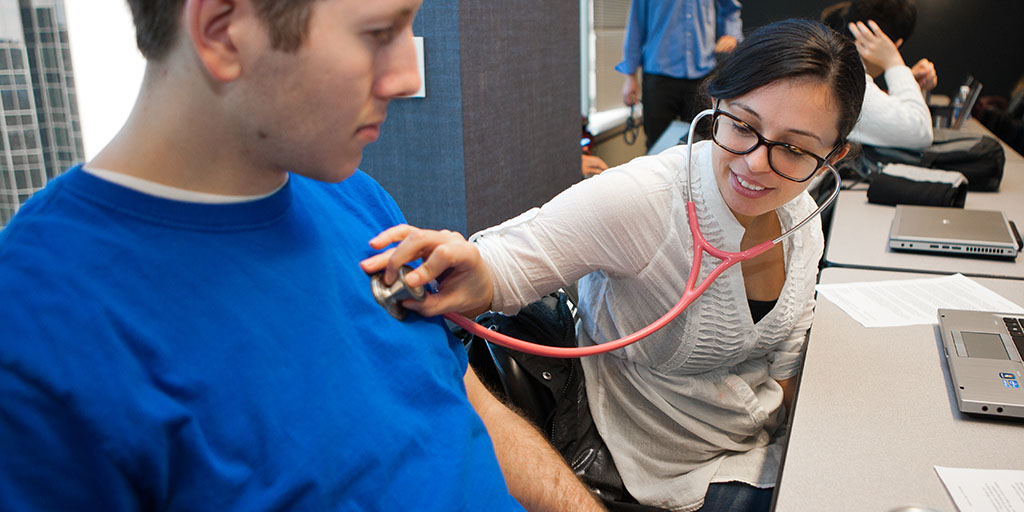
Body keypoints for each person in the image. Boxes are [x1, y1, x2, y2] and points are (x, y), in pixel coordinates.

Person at [0, 0, 604, 510]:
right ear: (222, 33)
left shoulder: (354, 197)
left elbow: (460, 400)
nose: (402, 76)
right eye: (378, 34)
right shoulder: (40, 330)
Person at [363, 19, 866, 511]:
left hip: (758, 438)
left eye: (796, 149)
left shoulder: (802, 216)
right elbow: (503, 262)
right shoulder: (647, 199)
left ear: (834, 156)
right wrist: (469, 270)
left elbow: (789, 355)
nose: (756, 163)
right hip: (654, 465)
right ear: (716, 106)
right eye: (742, 125)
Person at [617, 0, 743, 152]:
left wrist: (731, 35)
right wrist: (630, 76)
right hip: (659, 74)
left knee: (703, 145)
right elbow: (636, 24)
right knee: (658, 147)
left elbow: (731, 8)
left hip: (702, 73)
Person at [823, 0, 937, 149]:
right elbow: (921, 132)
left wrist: (909, 82)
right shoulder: (845, 84)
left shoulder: (831, 66)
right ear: (894, 45)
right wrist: (894, 62)